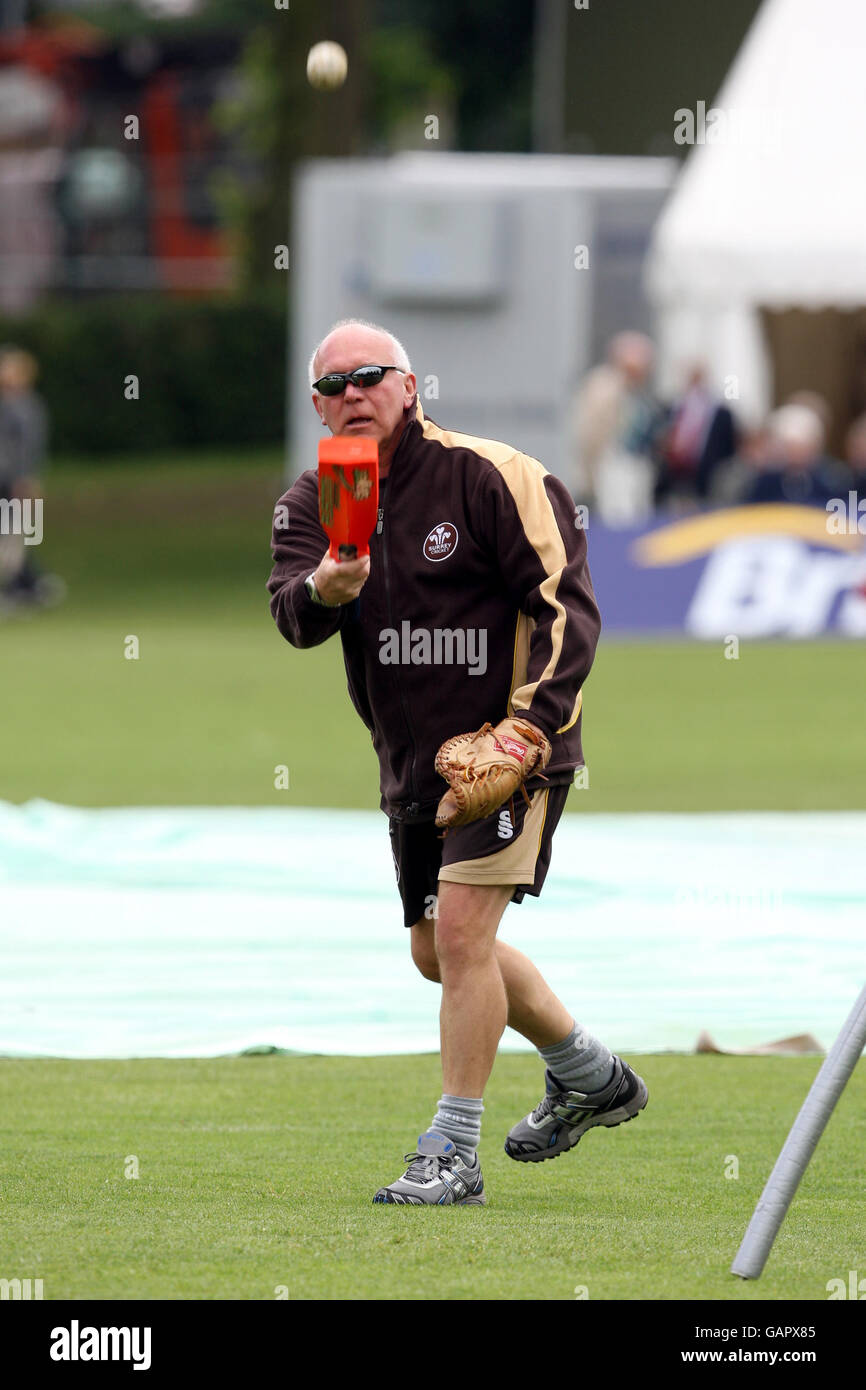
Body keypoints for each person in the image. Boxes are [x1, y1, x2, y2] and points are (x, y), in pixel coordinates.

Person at [267, 318, 648, 1206]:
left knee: (468, 936)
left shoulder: (493, 475)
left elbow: (566, 607)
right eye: (332, 384)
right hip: (411, 767)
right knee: (437, 953)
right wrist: (328, 583)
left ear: (410, 386)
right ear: (317, 406)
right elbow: (292, 616)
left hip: (508, 752)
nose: (352, 392)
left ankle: (453, 1153)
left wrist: (528, 729)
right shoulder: (311, 501)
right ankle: (589, 1073)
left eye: (371, 375)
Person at [569, 330, 662, 526]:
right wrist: (588, 471)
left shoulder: (639, 393)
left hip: (638, 465)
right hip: (612, 465)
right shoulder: (602, 386)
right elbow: (589, 432)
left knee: (638, 519)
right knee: (618, 519)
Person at [654, 361, 738, 508]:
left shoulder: (722, 413)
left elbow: (730, 447)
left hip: (707, 478)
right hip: (672, 477)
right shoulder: (671, 408)